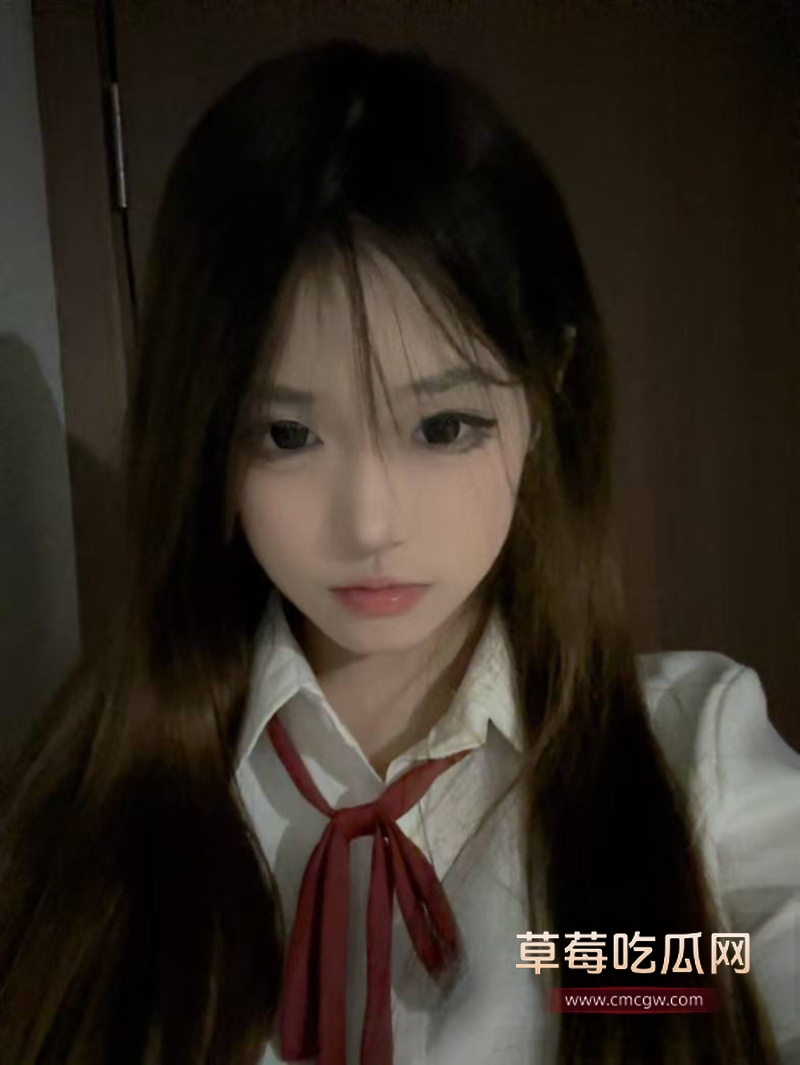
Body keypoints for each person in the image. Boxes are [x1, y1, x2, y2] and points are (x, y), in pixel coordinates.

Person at [0, 37, 797, 1065]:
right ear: (207, 437)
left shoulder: (689, 763)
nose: (370, 523)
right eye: (287, 433)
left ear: (546, 395)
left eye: (442, 426)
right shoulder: (87, 799)